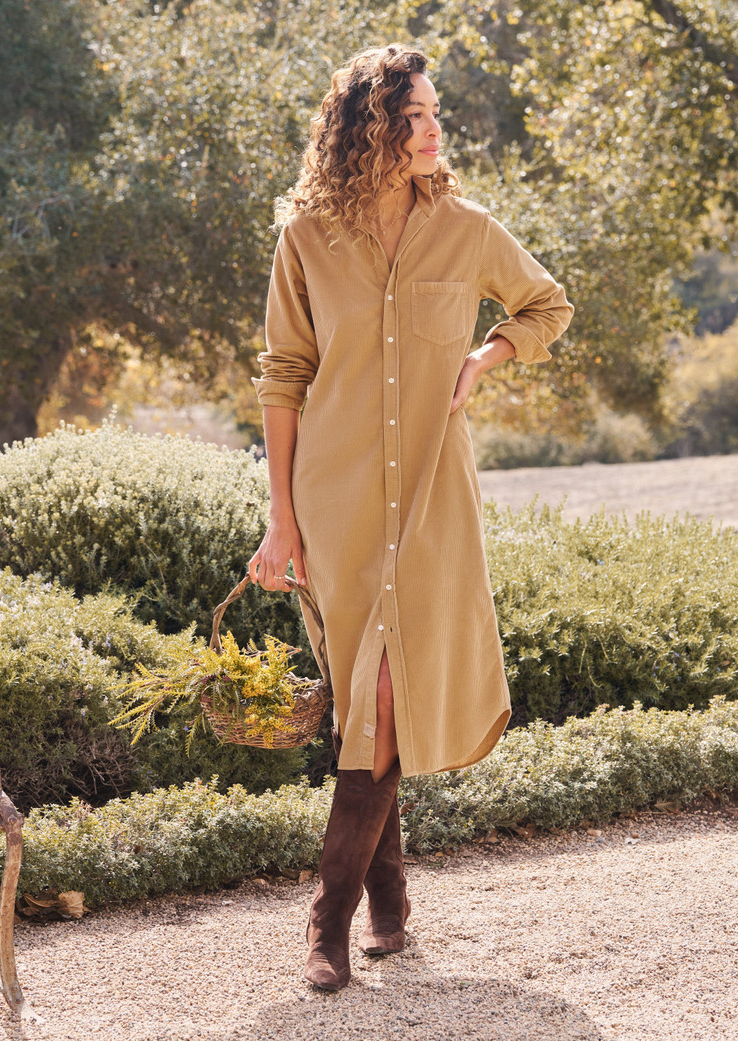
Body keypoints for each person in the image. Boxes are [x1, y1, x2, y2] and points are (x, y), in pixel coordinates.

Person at [248, 44, 573, 991]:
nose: (435, 130)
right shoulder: (308, 237)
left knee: (383, 699)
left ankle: (329, 919)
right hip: (338, 499)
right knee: (367, 703)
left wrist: (484, 355)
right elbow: (283, 375)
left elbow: (547, 305)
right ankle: (386, 903)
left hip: (433, 502)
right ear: (371, 129)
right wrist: (281, 517)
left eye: (436, 113)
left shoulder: (467, 230)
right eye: (416, 115)